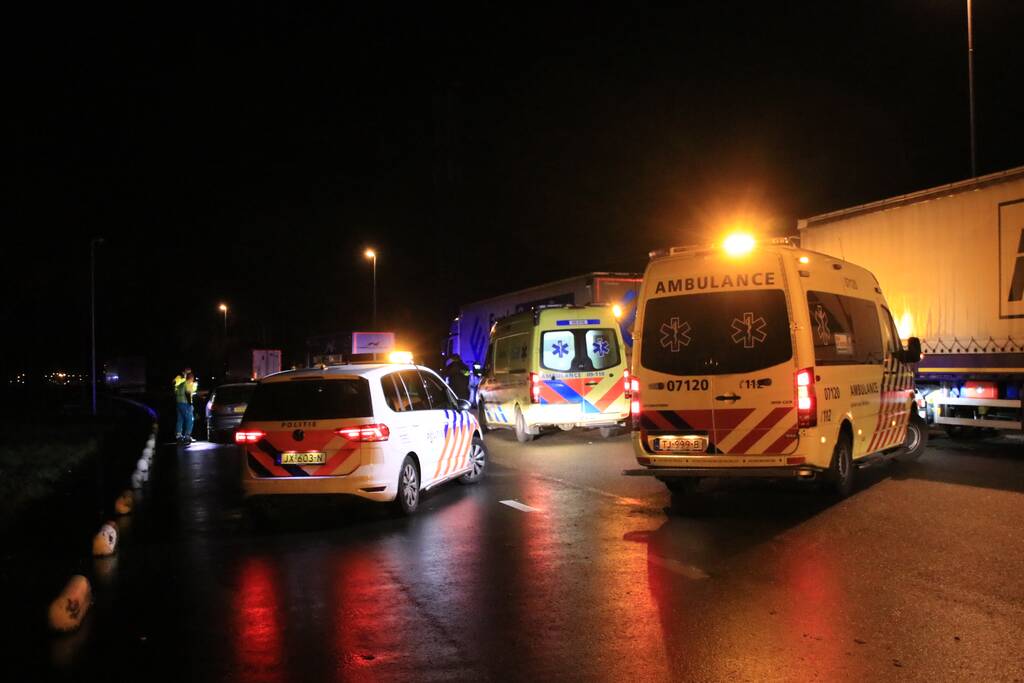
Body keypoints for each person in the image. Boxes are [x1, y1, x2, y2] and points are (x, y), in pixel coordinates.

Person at [175, 371, 198, 443]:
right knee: (190, 420)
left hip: (178, 404)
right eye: (192, 378)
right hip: (185, 404)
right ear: (191, 378)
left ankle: (178, 436)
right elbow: (188, 394)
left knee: (180, 420)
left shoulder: (180, 384)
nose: (193, 380)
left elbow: (176, 392)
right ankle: (187, 436)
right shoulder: (188, 383)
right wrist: (190, 404)